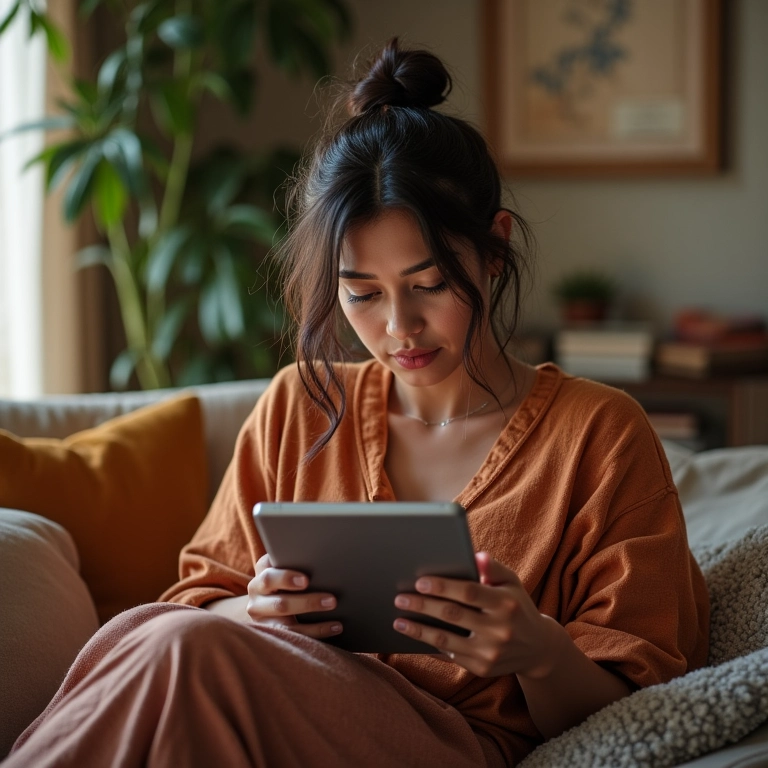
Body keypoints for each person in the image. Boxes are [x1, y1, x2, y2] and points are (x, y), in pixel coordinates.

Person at [7, 38, 708, 767]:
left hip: (451, 744)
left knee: (183, 648)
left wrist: (536, 651)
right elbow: (197, 599)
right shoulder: (298, 407)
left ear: (494, 251)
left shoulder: (599, 434)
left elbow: (642, 712)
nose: (398, 328)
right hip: (272, 708)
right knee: (168, 637)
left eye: (429, 284)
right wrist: (259, 607)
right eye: (362, 295)